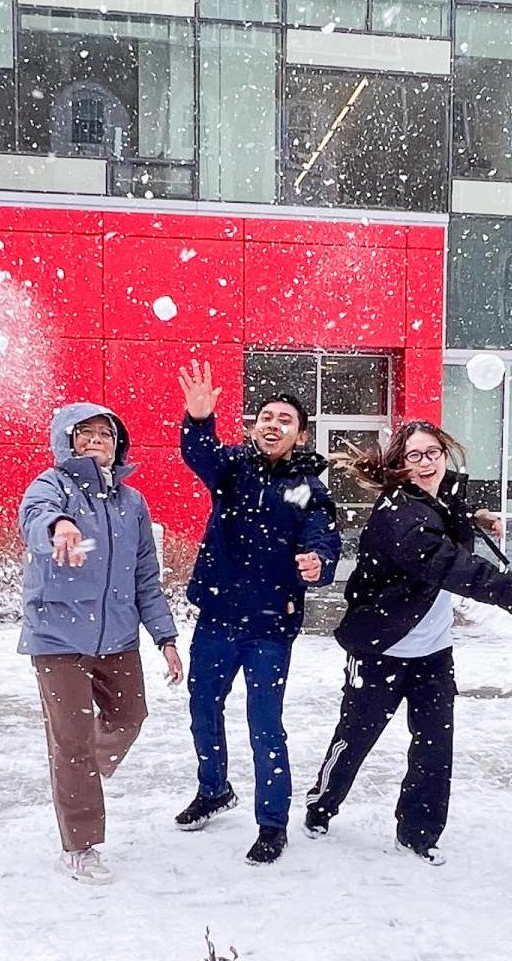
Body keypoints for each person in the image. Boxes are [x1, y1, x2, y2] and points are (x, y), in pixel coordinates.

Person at [302, 420, 512, 865]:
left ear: (445, 454)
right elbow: (454, 567)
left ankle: (418, 833)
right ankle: (321, 804)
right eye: (414, 456)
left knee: (435, 745)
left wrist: (475, 518)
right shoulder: (400, 515)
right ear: (400, 464)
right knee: (356, 736)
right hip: (380, 648)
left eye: (432, 452)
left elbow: (449, 516)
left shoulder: (441, 497)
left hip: (433, 652)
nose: (426, 463)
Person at [173, 361, 342, 865]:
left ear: (301, 434)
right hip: (218, 617)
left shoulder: (309, 488)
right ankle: (214, 789)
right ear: (254, 426)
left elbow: (324, 538)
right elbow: (197, 453)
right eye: (266, 416)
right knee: (204, 708)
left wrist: (319, 562)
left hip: (270, 625)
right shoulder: (233, 468)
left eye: (285, 419)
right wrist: (199, 419)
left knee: (264, 724)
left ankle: (272, 824)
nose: (273, 424)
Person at [17, 402, 185, 886]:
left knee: (130, 717)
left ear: (118, 444)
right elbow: (35, 516)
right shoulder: (51, 486)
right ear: (67, 441)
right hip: (57, 637)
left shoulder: (131, 503)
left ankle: (79, 767)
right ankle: (80, 845)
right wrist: (59, 527)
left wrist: (165, 637)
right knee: (71, 742)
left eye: (105, 435)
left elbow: (147, 578)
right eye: (85, 433)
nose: (96, 441)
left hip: (116, 635)